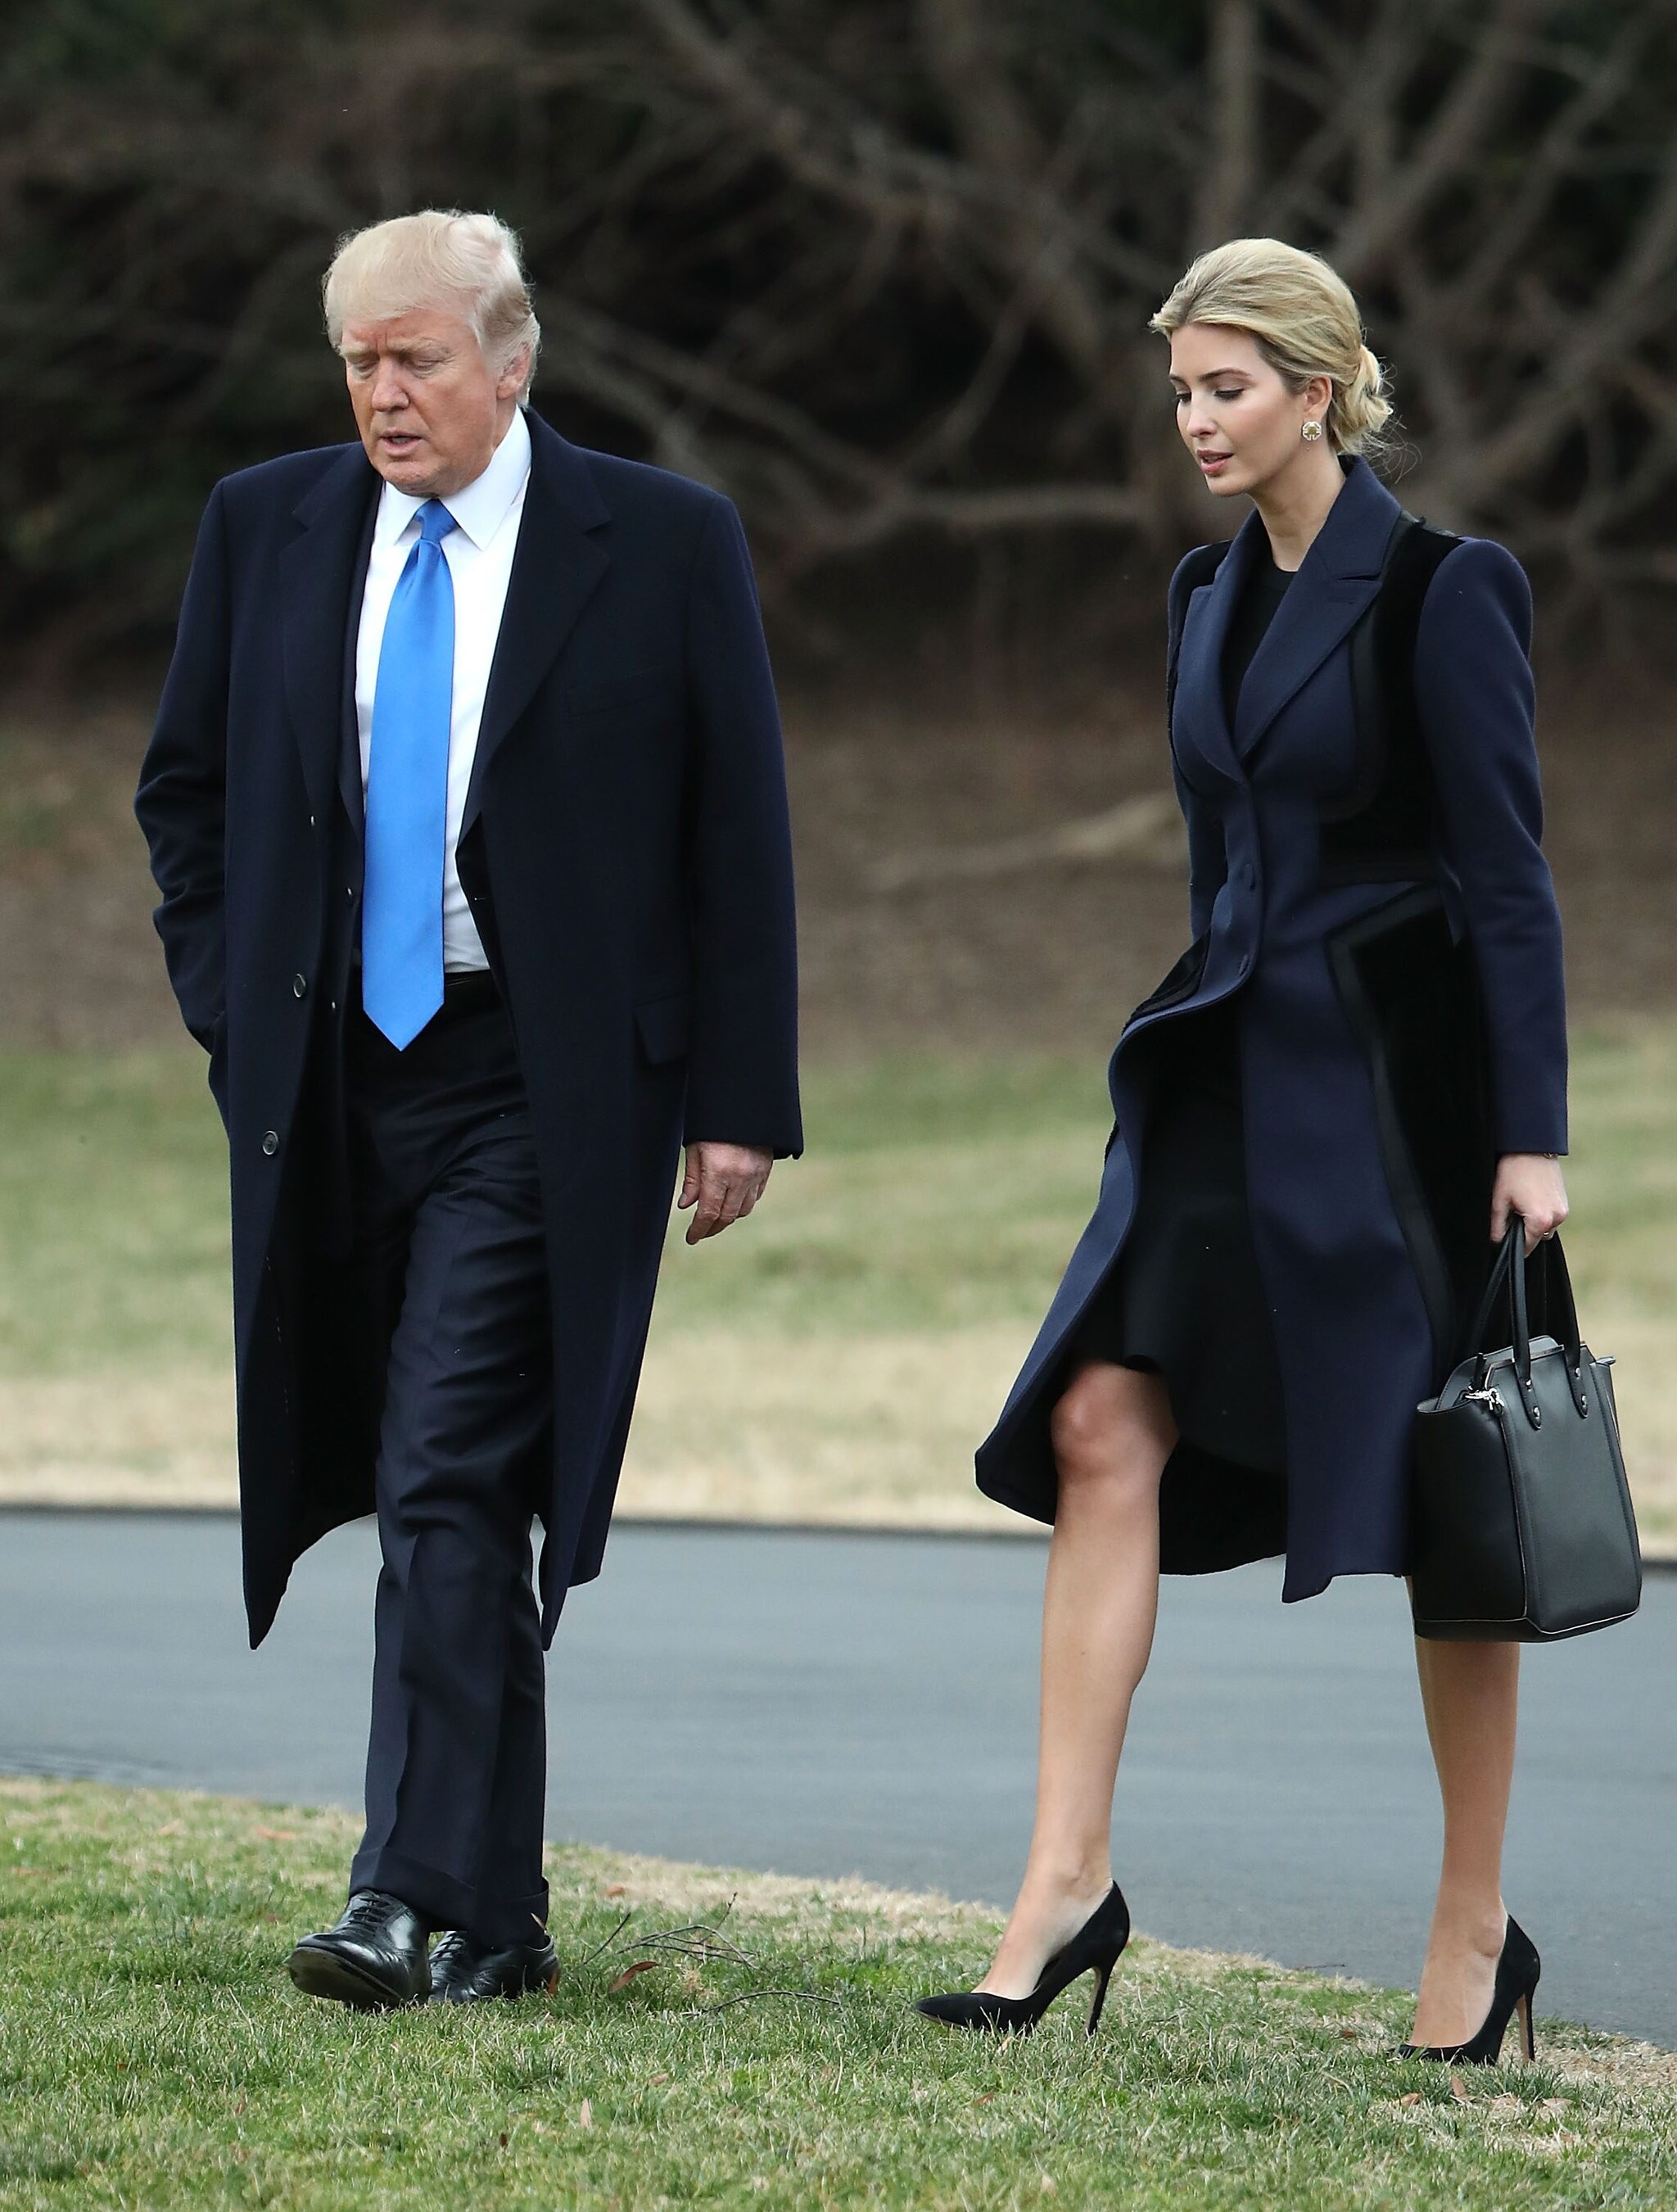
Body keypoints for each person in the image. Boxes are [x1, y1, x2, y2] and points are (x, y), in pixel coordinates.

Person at [136, 210, 801, 2009]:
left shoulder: (661, 539)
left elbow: (736, 829)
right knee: (441, 1485)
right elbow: (186, 797)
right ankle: (498, 1919)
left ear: (511, 362)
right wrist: (236, 1019)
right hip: (333, 1074)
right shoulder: (265, 524)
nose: (383, 393)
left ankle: (400, 1890)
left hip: (543, 1079)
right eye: (358, 361)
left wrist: (738, 1098)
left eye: (416, 358)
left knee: (442, 1464)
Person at [918, 239, 1567, 2064]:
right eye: (1183, 391)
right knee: (1096, 1418)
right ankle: (1064, 1884)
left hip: (1399, 1098)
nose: (1196, 420)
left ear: (1316, 389)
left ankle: (1476, 1927)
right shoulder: (1203, 594)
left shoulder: (1445, 588)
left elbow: (1510, 880)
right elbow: (1224, 862)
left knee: (1451, 1499)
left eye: (1227, 387)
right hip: (1219, 1075)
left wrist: (1531, 1137)